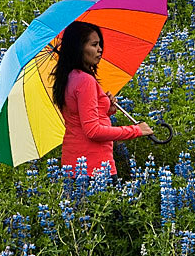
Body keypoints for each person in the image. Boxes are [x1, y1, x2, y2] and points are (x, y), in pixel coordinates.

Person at [51, 20, 153, 178]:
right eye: (94, 45)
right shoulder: (85, 81)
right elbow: (93, 131)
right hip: (95, 167)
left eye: (100, 44)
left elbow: (78, 116)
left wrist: (106, 109)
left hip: (71, 165)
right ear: (79, 48)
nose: (100, 49)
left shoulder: (67, 78)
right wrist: (136, 130)